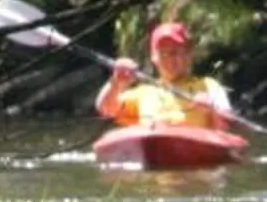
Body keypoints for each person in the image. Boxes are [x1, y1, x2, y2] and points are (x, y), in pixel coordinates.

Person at [96, 20, 234, 130]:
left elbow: (227, 124)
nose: (173, 59)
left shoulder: (209, 86)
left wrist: (212, 111)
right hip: (155, 151)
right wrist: (116, 82)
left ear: (189, 55)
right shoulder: (144, 93)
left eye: (179, 52)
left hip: (196, 153)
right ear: (154, 57)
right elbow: (106, 109)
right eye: (166, 53)